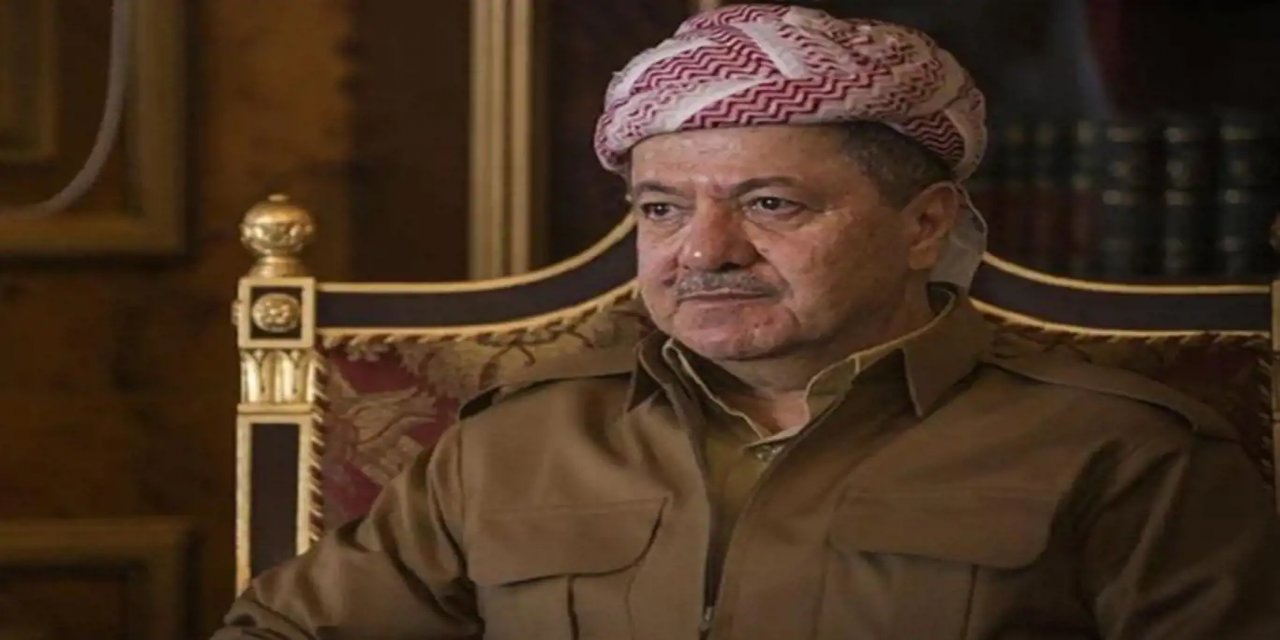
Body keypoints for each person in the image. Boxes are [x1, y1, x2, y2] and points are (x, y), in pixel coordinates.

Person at [215, 5, 1280, 639]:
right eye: (660, 210)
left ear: (924, 225)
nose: (704, 251)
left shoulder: (1119, 452)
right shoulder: (514, 441)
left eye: (770, 204)